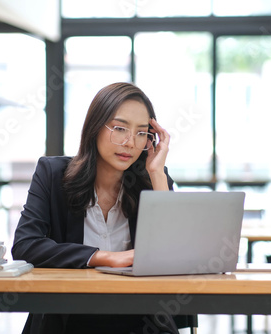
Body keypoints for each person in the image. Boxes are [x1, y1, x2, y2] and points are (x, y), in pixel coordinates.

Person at [12, 82, 178, 334]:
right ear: (95, 127)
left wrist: (156, 174)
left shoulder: (153, 179)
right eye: (120, 128)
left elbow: (173, 257)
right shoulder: (53, 174)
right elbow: (26, 245)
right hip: (68, 320)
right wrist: (105, 257)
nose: (130, 142)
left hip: (140, 320)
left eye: (142, 132)